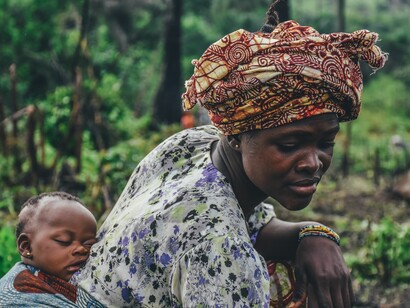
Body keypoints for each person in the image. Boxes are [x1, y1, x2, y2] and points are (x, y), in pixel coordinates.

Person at [73, 4, 387, 308]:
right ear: (236, 135)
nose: (312, 162)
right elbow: (222, 231)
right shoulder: (220, 248)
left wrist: (314, 234)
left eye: (326, 142)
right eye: (290, 145)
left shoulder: (190, 146)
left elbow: (252, 223)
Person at [0, 192, 103, 307]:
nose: (81, 249)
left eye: (89, 244)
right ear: (26, 246)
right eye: (64, 241)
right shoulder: (17, 299)